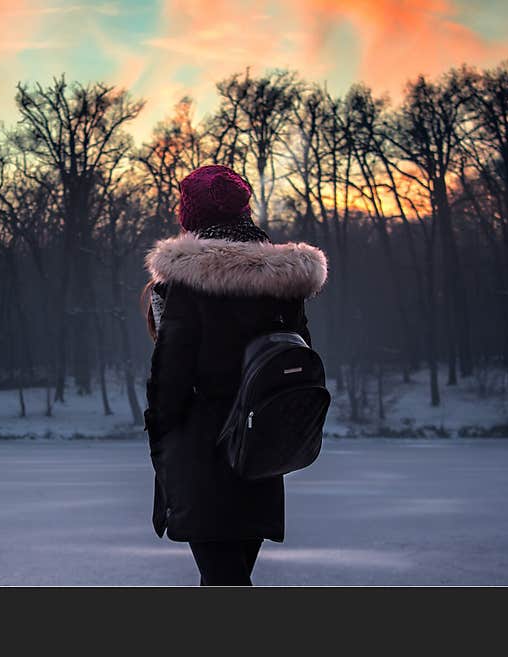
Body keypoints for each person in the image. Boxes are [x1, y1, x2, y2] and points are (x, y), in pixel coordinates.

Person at [143, 165, 327, 586]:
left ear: (193, 216)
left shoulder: (189, 283)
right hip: (263, 449)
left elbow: (169, 381)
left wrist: (163, 443)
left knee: (223, 582)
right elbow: (299, 361)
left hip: (205, 452)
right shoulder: (282, 282)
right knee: (232, 578)